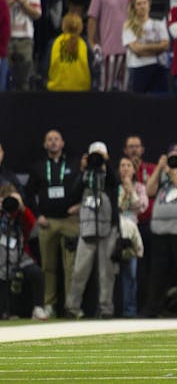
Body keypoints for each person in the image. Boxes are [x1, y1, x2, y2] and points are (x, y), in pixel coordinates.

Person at [26, 129, 82, 318]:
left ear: (63, 143)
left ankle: (71, 305)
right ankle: (49, 304)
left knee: (71, 266)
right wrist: (37, 215)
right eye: (49, 139)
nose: (53, 142)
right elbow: (28, 194)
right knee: (48, 267)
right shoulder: (38, 167)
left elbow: (84, 187)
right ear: (44, 144)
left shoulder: (74, 165)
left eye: (56, 139)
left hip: (70, 221)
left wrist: (80, 206)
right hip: (47, 222)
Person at [64, 141, 119, 319]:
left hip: (107, 229)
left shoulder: (109, 175)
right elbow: (73, 193)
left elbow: (114, 182)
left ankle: (106, 308)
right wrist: (84, 170)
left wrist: (105, 163)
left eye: (100, 155)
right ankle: (72, 307)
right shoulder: (86, 175)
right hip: (87, 229)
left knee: (106, 273)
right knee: (79, 271)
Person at [144, 144, 177, 318]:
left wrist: (175, 176)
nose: (175, 157)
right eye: (172, 154)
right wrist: (159, 168)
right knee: (157, 274)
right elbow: (149, 191)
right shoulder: (162, 173)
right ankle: (153, 309)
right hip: (160, 231)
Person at [86, 0, 135, 92]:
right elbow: (92, 19)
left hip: (128, 50)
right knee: (105, 90)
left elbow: (143, 9)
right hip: (108, 50)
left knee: (125, 91)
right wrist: (92, 42)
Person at [0, 184, 47, 320]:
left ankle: (38, 308)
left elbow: (33, 229)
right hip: (1, 255)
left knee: (37, 273)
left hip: (19, 254)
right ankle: (5, 311)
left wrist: (22, 208)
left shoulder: (20, 214)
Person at [0, 0, 42, 91]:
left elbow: (37, 14)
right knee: (4, 80)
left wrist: (24, 3)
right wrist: (11, 1)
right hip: (3, 40)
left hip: (25, 38)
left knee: (24, 81)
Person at [116, 155, 148, 318]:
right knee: (112, 273)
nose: (125, 168)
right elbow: (117, 208)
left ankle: (129, 310)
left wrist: (131, 189)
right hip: (114, 232)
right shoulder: (114, 186)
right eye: (122, 165)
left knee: (130, 273)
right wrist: (123, 191)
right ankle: (109, 309)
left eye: (129, 165)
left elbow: (141, 207)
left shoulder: (140, 187)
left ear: (134, 170)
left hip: (132, 233)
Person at [122, 0, 170, 94]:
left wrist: (144, 48)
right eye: (139, 4)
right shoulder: (128, 26)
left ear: (149, 4)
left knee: (159, 101)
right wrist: (157, 49)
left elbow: (166, 45)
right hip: (137, 67)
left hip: (158, 67)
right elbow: (136, 50)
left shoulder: (159, 23)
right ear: (134, 7)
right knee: (138, 102)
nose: (142, 6)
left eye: (144, 3)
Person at [45, 12, 90, 91]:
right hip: (82, 93)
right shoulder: (85, 45)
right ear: (80, 27)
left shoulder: (54, 43)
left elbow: (45, 68)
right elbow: (93, 69)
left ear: (63, 26)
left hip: (56, 91)